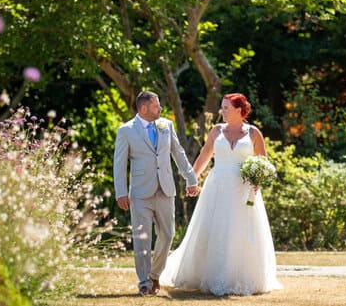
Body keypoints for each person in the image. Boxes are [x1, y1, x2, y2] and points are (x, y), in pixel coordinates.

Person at [160, 93, 283, 296]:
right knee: (214, 228)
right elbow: (204, 155)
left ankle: (239, 278)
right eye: (222, 107)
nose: (222, 111)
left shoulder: (253, 133)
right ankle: (209, 274)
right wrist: (193, 179)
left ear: (238, 110)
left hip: (243, 189)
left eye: (226, 108)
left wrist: (257, 182)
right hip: (216, 187)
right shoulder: (217, 130)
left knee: (240, 231)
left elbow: (263, 163)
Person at [113, 91, 200, 296]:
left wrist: (191, 178)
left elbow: (178, 153)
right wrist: (121, 192)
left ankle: (154, 274)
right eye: (156, 106)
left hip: (166, 189)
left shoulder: (166, 126)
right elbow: (119, 164)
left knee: (167, 235)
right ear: (143, 109)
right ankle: (144, 282)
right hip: (140, 193)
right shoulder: (126, 131)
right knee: (142, 238)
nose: (160, 109)